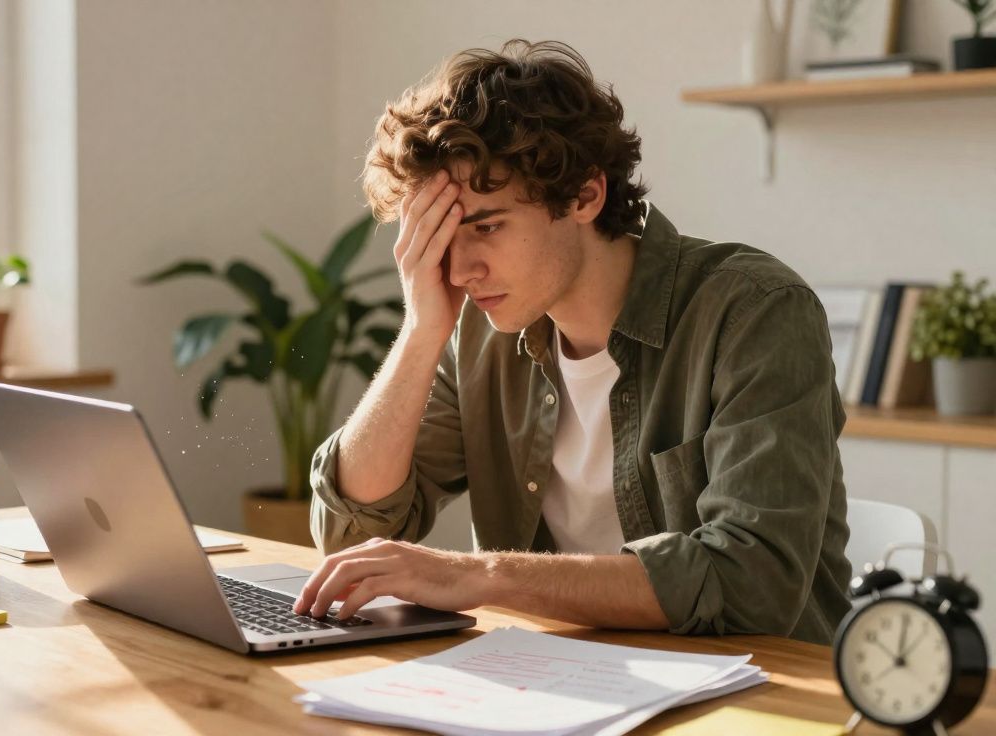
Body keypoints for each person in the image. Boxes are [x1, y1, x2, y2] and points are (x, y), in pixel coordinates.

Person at [291, 39, 852, 644]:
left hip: (755, 682)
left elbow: (752, 582)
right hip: (562, 673)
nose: (460, 270)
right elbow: (351, 534)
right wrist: (420, 331)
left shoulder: (754, 311)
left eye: (486, 226)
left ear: (585, 195)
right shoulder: (478, 331)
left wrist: (481, 574)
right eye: (442, 238)